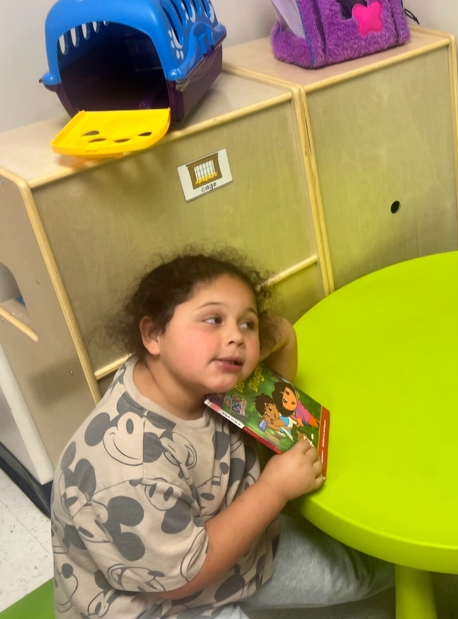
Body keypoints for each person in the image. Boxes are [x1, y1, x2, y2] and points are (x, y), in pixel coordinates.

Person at [50, 251, 392, 619]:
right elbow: (185, 574)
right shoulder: (127, 467)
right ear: (153, 335)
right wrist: (273, 489)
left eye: (247, 323)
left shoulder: (197, 372)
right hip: (157, 602)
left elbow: (274, 397)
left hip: (234, 546)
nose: (235, 337)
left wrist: (284, 338)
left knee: (358, 572)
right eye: (212, 319)